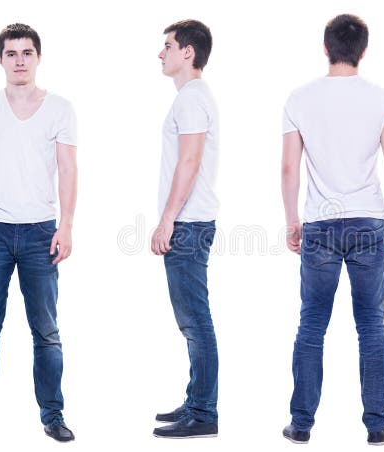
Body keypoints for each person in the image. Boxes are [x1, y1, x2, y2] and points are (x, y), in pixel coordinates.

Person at [280, 14, 384, 446]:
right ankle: (377, 424)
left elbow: (288, 168)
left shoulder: (299, 99)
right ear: (363, 51)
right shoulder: (382, 99)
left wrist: (291, 220)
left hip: (320, 222)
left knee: (311, 324)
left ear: (325, 47)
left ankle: (301, 424)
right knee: (371, 325)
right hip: (367, 220)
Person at [0, 23, 78, 443]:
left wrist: (66, 225)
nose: (20, 60)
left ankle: (52, 415)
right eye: (12, 53)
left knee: (46, 330)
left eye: (27, 52)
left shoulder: (61, 109)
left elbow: (68, 170)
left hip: (41, 232)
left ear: (38, 57)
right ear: (1, 59)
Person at [151, 19, 220, 440]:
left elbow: (189, 162)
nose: (161, 53)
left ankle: (204, 411)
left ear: (188, 52)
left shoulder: (191, 100)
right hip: (191, 222)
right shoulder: (192, 98)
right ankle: (197, 398)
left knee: (195, 321)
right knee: (191, 320)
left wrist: (166, 220)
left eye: (167, 46)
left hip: (189, 225)